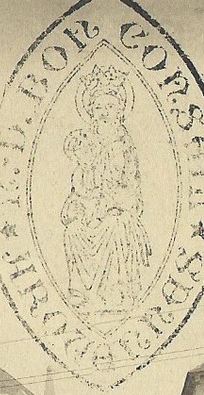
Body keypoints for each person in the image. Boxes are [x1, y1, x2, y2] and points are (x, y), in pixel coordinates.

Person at [61, 66, 151, 316]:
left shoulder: (124, 144)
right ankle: (80, 292)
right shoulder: (86, 144)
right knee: (73, 230)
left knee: (114, 226)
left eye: (109, 107)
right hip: (90, 211)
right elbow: (77, 187)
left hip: (117, 211)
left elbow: (131, 185)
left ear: (119, 110)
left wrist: (113, 203)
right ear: (91, 111)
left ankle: (116, 291)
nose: (104, 112)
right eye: (98, 107)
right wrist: (79, 206)